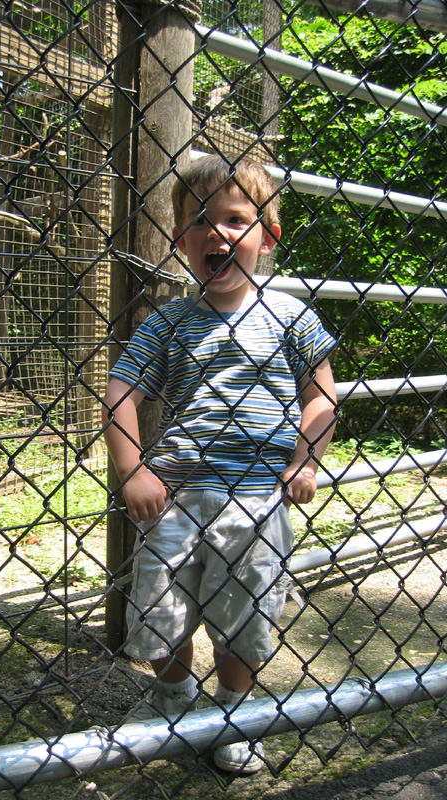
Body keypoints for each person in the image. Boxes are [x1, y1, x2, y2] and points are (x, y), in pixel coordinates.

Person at [102, 154, 337, 774]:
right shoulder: (167, 324)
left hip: (259, 498)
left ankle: (233, 712)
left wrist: (305, 460)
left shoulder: (292, 316)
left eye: (236, 219)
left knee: (248, 614)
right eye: (200, 221)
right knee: (161, 606)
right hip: (175, 496)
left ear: (267, 235)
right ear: (180, 239)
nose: (217, 233)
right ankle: (176, 698)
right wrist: (133, 470)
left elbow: (322, 396)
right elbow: (120, 395)